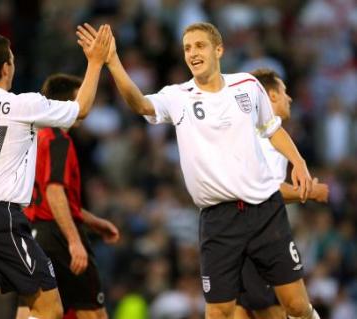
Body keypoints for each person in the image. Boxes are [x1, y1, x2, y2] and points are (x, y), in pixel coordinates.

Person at [76, 22, 321, 319]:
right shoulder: (178, 96)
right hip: (218, 220)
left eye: (199, 46)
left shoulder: (247, 85)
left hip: (265, 212)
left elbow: (273, 129)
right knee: (219, 311)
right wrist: (112, 61)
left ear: (219, 50)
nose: (192, 53)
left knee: (295, 305)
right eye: (187, 48)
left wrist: (300, 163)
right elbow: (139, 104)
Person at [0, 26, 112, 319]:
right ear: (5, 67)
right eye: (11, 59)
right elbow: (82, 108)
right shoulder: (23, 104)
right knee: (49, 308)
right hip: (1, 217)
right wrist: (96, 62)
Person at [16, 74, 120, 319]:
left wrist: (94, 222)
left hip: (32, 233)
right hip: (58, 235)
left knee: (33, 310)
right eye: (80, 99)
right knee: (93, 313)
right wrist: (74, 240)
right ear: (67, 105)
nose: (87, 106)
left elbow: (51, 196)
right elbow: (54, 192)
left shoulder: (31, 139)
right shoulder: (57, 139)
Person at [233, 68, 330, 319]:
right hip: (254, 232)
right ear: (272, 97)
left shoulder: (256, 135)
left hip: (243, 231)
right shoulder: (263, 140)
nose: (290, 99)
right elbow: (264, 188)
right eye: (285, 92)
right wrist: (308, 192)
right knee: (283, 309)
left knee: (255, 310)